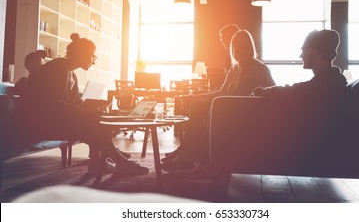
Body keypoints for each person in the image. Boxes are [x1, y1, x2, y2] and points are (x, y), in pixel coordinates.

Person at [19, 33, 148, 175]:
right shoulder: (58, 67)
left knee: (96, 118)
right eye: (93, 56)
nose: (94, 61)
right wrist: (81, 109)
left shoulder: (71, 73)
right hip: (37, 124)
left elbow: (76, 103)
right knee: (93, 122)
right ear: (81, 53)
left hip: (51, 121)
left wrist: (96, 108)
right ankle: (112, 161)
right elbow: (49, 105)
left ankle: (102, 161)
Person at [162, 29, 276, 173]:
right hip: (228, 111)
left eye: (244, 45)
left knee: (203, 108)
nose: (240, 49)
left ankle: (188, 155)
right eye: (237, 46)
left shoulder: (260, 69)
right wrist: (194, 97)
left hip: (246, 114)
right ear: (233, 49)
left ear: (250, 47)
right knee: (199, 105)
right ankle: (186, 154)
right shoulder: (234, 69)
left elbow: (271, 94)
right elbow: (221, 92)